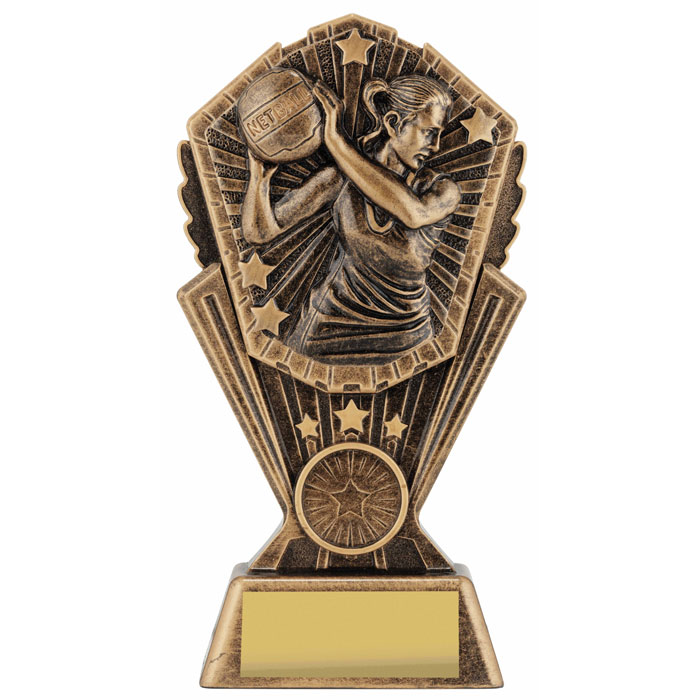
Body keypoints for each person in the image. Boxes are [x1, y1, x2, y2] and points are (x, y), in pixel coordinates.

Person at [241, 74, 460, 364]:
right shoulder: (338, 179)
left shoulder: (442, 189)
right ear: (393, 123)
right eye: (430, 132)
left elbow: (414, 213)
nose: (436, 146)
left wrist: (336, 141)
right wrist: (259, 177)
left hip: (408, 336)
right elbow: (260, 233)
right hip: (327, 330)